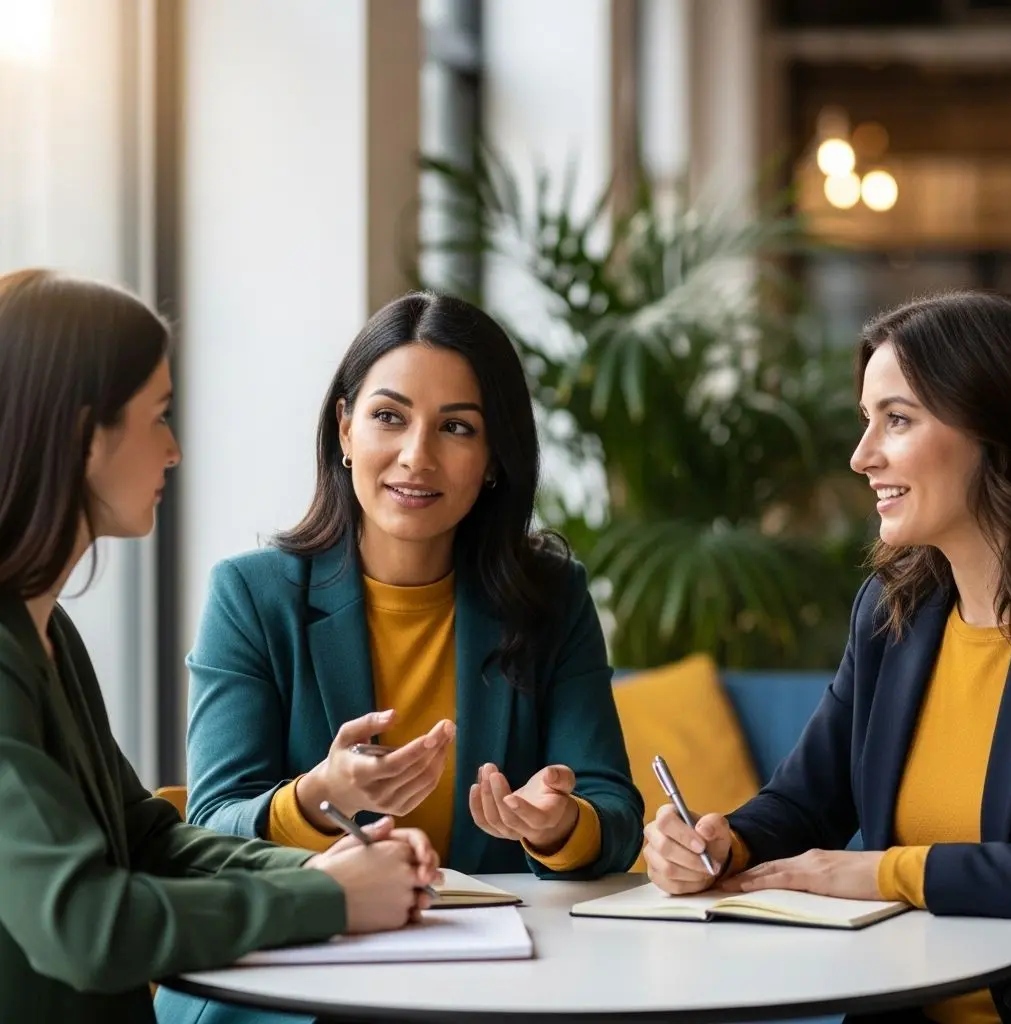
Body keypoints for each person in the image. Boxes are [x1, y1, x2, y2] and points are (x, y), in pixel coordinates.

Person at [156, 291, 643, 1024]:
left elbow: (615, 815)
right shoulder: (251, 596)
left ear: (493, 460)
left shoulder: (551, 599)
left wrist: (557, 825)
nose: (418, 455)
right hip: (292, 989)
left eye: (457, 427)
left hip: (488, 992)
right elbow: (210, 825)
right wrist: (321, 795)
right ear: (345, 429)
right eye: (389, 417)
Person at [0, 269, 441, 1024]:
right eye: (158, 417)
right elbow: (89, 925)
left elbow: (146, 840)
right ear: (82, 434)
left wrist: (333, 870)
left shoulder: (48, 634)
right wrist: (327, 897)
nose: (172, 451)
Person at [644, 289, 1011, 1024]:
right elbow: (803, 802)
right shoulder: (892, 617)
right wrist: (723, 844)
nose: (862, 456)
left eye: (899, 420)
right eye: (865, 421)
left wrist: (886, 873)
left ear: (995, 428)